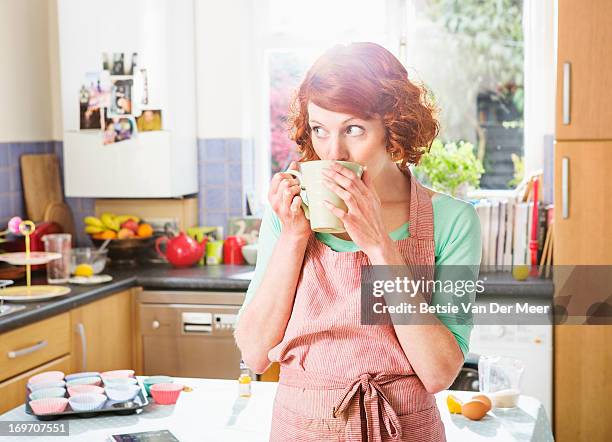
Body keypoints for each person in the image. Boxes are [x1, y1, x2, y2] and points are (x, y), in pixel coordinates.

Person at [235, 42, 481, 441]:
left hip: (405, 428)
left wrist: (381, 246)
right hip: (302, 428)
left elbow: (439, 373)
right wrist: (295, 238)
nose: (333, 152)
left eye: (353, 129)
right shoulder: (289, 217)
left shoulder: (453, 221)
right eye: (319, 130)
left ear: (394, 128)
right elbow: (255, 353)